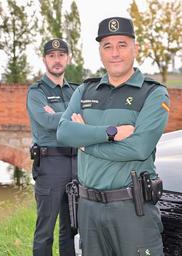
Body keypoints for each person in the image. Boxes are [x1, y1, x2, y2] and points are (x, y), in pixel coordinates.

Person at [57, 16, 169, 256]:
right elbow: (64, 132)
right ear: (100, 52)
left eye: (122, 44)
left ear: (135, 48)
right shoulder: (85, 90)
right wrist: (109, 133)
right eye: (107, 46)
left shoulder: (153, 94)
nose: (115, 53)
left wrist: (86, 142)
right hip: (88, 211)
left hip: (132, 212)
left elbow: (138, 148)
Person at [27, 38, 78, 256]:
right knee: (45, 230)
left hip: (76, 163)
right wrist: (74, 117)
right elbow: (46, 122)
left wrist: (58, 116)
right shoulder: (36, 92)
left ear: (68, 58)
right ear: (44, 59)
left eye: (61, 55)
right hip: (50, 165)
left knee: (72, 229)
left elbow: (84, 118)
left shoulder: (76, 90)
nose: (57, 60)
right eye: (51, 56)